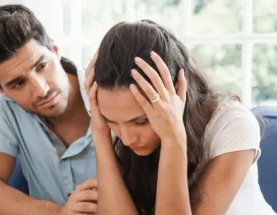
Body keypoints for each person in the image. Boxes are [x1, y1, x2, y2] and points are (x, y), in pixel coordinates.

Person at [84, 19, 276, 215]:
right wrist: (100, 134)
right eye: (111, 121)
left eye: (141, 121)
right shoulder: (121, 127)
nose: (127, 138)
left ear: (177, 94)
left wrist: (173, 138)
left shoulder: (233, 124)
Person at [0, 4, 98, 215]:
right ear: (0, 89)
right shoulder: (4, 103)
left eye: (42, 66)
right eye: (19, 83)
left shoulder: (109, 93)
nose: (41, 90)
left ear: (54, 50)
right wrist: (57, 212)